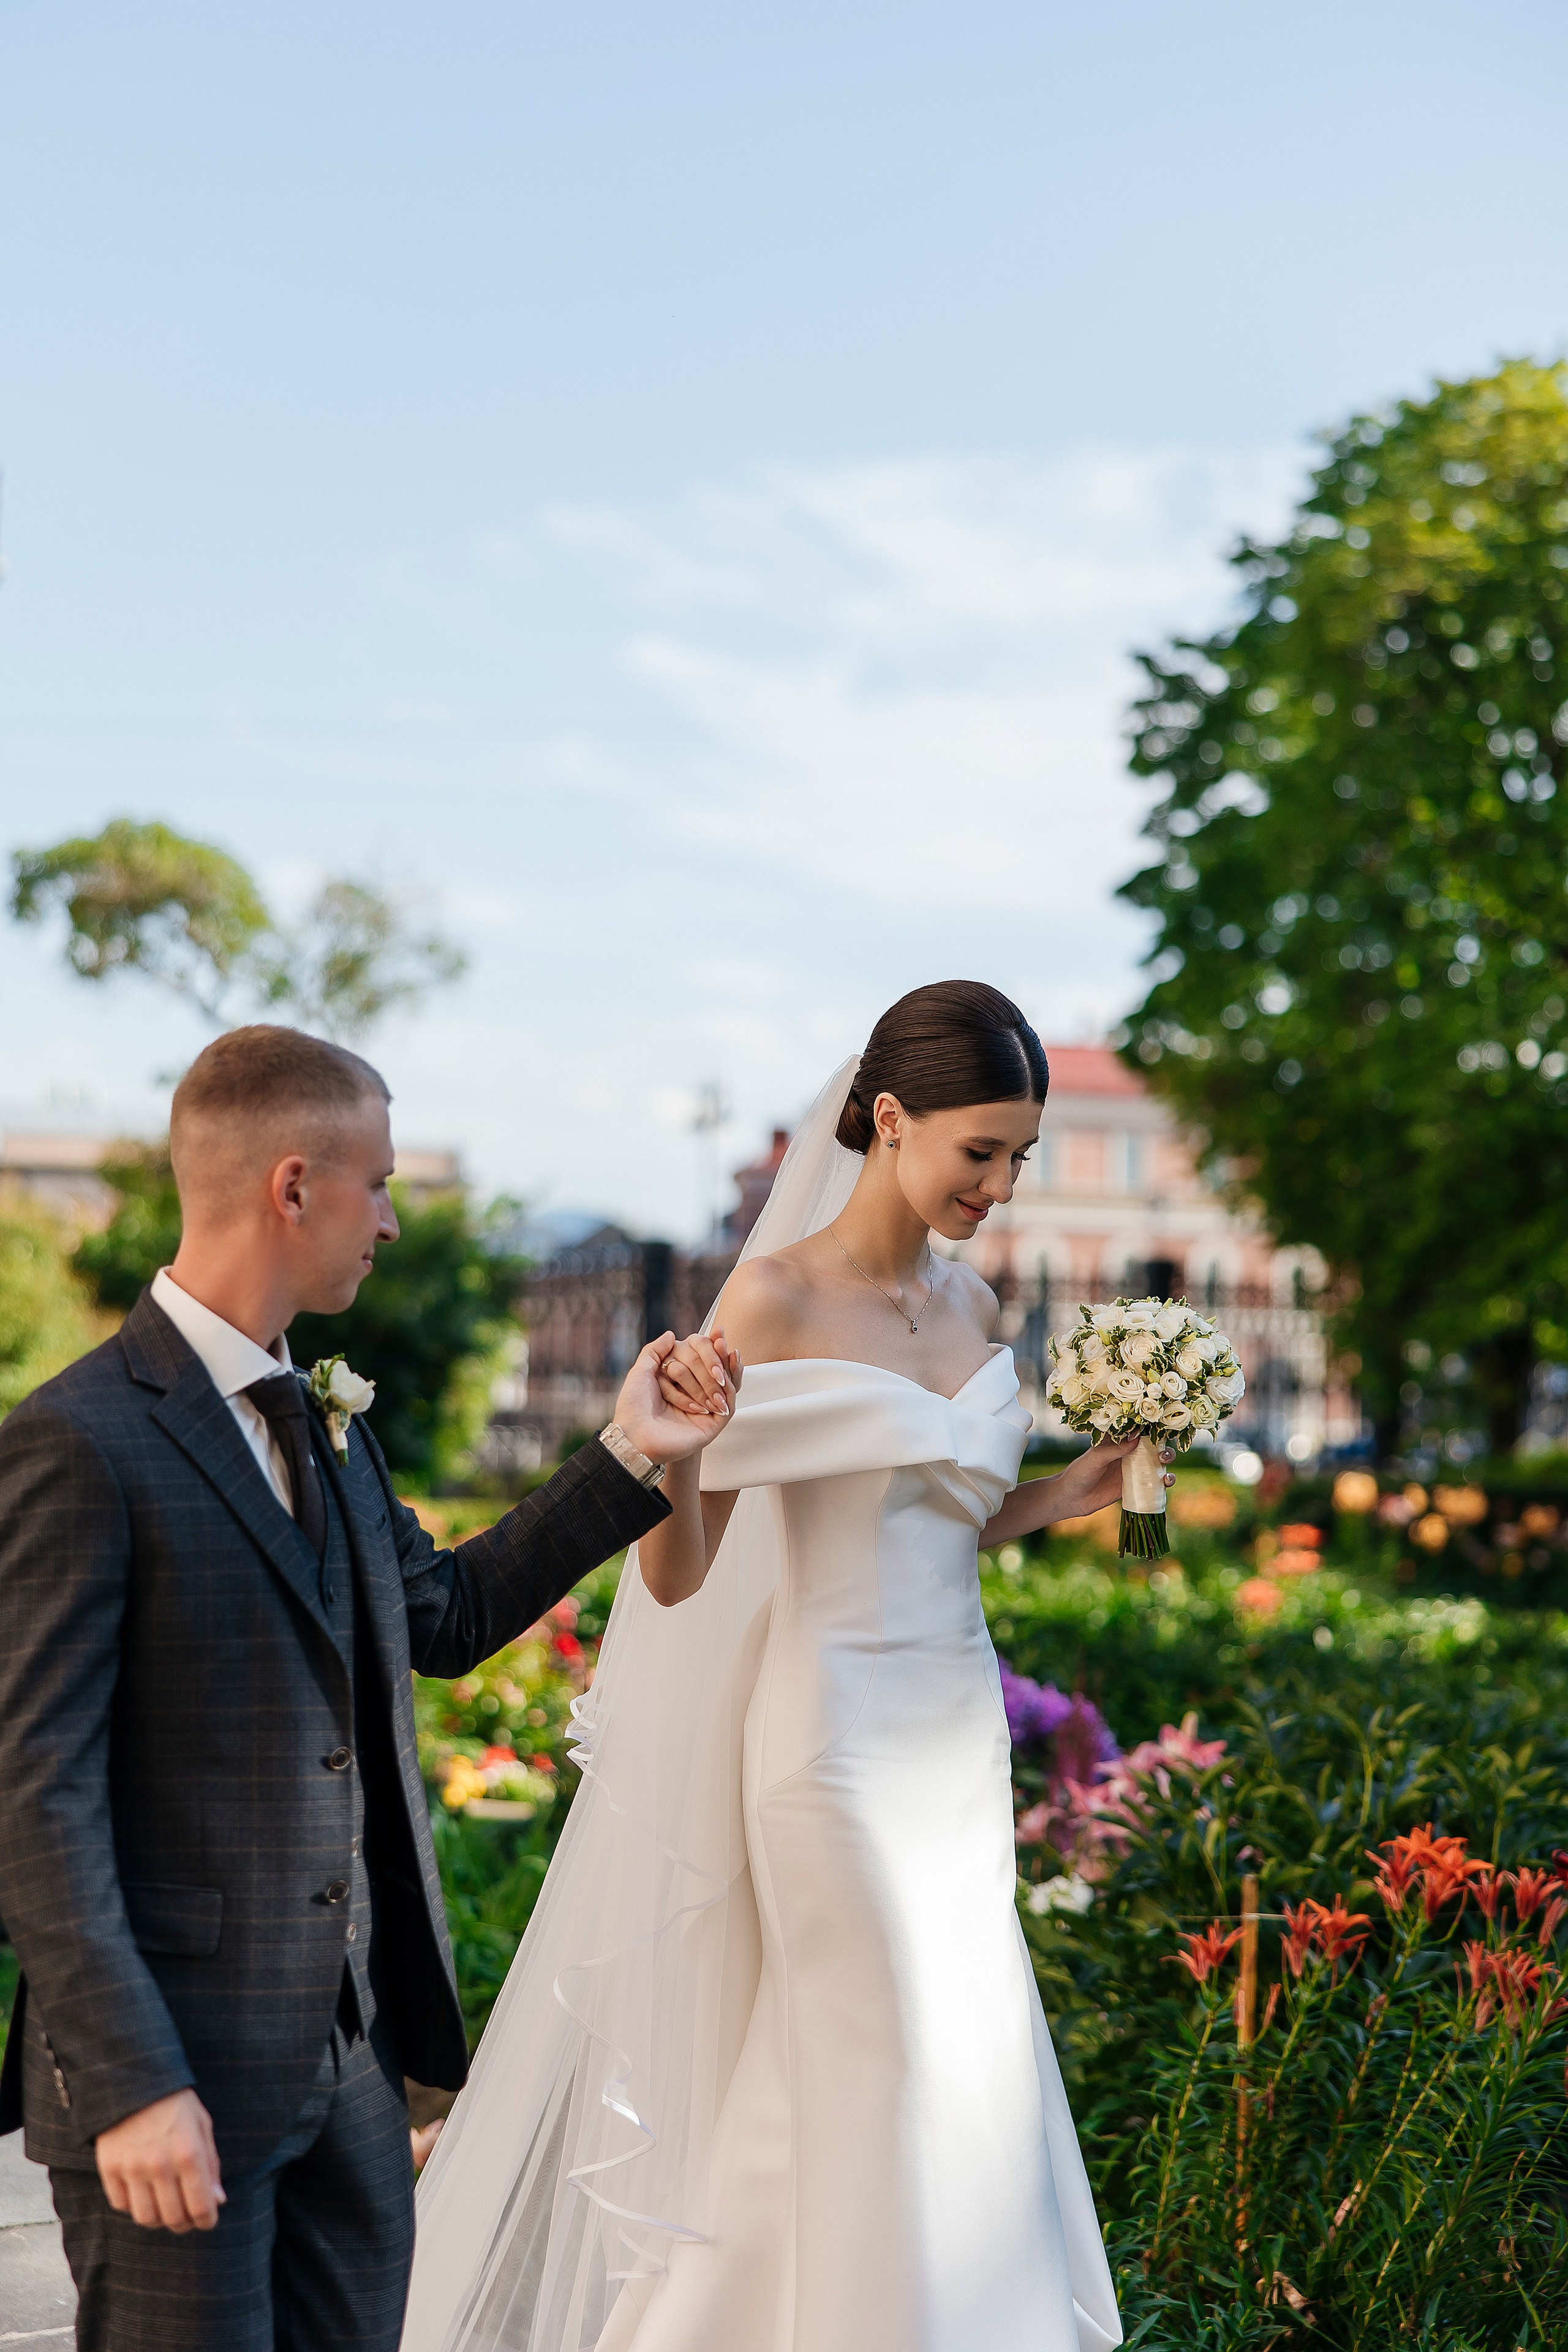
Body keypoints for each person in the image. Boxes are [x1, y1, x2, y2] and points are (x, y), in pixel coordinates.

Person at [404, 982, 1161, 2352]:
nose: (999, 1186)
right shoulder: (774, 1294)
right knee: (897, 2042)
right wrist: (682, 1467)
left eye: (1019, 1156)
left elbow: (943, 1514)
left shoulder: (975, 1298)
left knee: (944, 2053)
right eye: (979, 1150)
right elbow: (679, 1574)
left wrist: (1076, 1491)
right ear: (890, 1118)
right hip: (833, 1749)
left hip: (953, 1743)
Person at [0, 1024, 735, 2352]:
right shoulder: (76, 1440)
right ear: (295, 1186)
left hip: (352, 2070)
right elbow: (34, 1797)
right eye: (379, 1185)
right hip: (175, 2081)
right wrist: (129, 2084)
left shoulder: (328, 1420)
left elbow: (442, 1615)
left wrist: (635, 1451)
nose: (390, 1221)